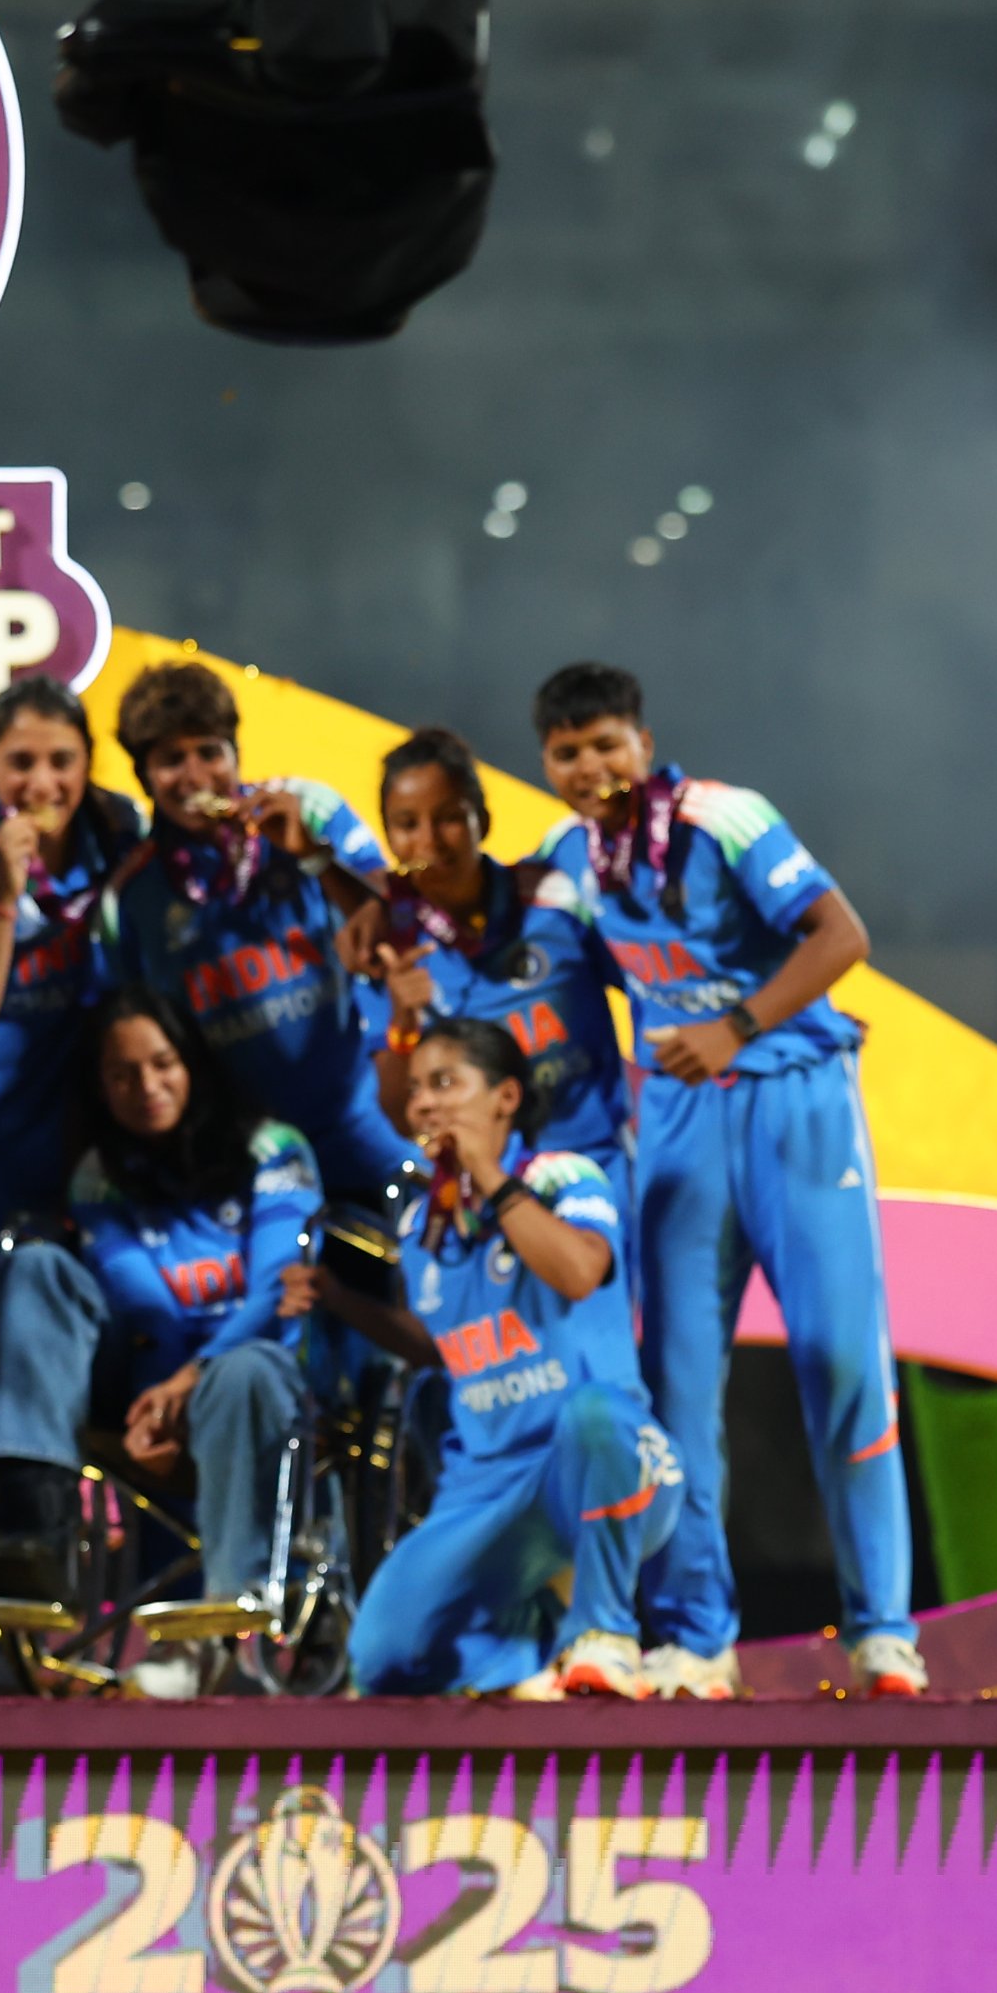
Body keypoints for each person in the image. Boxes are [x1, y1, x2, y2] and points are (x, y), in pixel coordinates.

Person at [534, 661, 919, 1701]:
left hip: (797, 1101)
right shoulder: (564, 861)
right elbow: (530, 968)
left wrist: (736, 1025)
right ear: (548, 763)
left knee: (844, 1362)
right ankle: (699, 1638)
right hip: (677, 1123)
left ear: (643, 744)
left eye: (606, 744)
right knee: (679, 1389)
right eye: (567, 752)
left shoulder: (726, 818)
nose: (591, 767)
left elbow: (843, 936)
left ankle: (883, 1632)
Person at [298, 1016, 677, 1699]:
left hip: (603, 1464)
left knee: (595, 1414)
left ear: (506, 1097)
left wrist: (489, 1175)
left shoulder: (563, 1175)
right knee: (383, 1656)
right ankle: (533, 1641)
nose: (424, 1105)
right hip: (490, 1488)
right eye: (417, 1090)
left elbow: (579, 1272)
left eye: (445, 1083)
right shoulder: (424, 1224)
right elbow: (439, 1346)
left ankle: (604, 1634)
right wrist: (339, 1298)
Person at [0, 989, 320, 1697]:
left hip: (250, 1374)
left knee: (242, 1369)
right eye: (122, 1074)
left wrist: (189, 1380)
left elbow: (278, 1291)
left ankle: (216, 1633)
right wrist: (161, 1392)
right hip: (144, 1378)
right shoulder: (99, 1172)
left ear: (193, 1063)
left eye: (161, 1064)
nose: (145, 1086)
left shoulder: (275, 1148)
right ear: (100, 1086)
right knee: (36, 1266)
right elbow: (140, 1300)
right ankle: (35, 1520)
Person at [0, 676, 147, 1534]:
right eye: (20, 762)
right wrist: (2, 891)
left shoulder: (120, 837)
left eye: (62, 760)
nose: (43, 782)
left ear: (89, 764)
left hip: (78, 1140)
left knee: (90, 1349)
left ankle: (74, 1554)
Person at [99, 659, 409, 1199]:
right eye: (171, 759)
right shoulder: (131, 894)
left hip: (360, 1115)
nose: (195, 776)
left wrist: (313, 856)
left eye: (209, 752)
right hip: (249, 1150)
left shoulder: (308, 811)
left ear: (236, 753)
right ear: (143, 775)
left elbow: (395, 927)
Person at [344, 725, 629, 1190]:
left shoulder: (555, 896)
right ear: (389, 838)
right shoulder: (388, 951)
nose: (430, 840)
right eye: (408, 825)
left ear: (483, 818)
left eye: (449, 817)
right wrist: (402, 1019)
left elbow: (646, 986)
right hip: (487, 1188)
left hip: (603, 1165)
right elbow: (400, 1117)